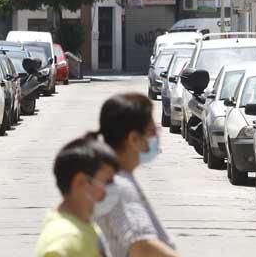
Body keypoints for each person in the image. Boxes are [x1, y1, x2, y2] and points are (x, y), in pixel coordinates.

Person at [94, 93, 179, 257]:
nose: (156, 136)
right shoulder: (119, 185)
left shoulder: (117, 178)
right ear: (133, 139)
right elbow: (142, 245)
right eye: (152, 130)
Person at [36, 135, 120, 257]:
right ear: (80, 182)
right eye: (107, 182)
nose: (112, 189)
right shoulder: (65, 243)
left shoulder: (82, 223)